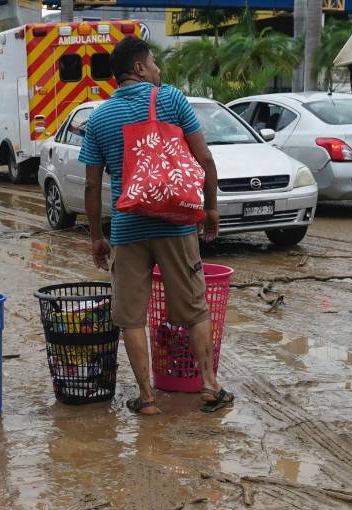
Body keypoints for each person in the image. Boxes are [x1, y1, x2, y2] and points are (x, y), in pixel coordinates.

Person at [77, 36, 233, 416]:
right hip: (176, 225)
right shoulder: (172, 100)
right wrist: (210, 210)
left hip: (128, 228)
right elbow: (205, 159)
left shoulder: (97, 118)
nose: (159, 71)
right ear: (139, 69)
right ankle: (209, 387)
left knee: (131, 316)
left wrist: (97, 237)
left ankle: (147, 398)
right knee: (195, 309)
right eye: (154, 63)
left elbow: (92, 185)